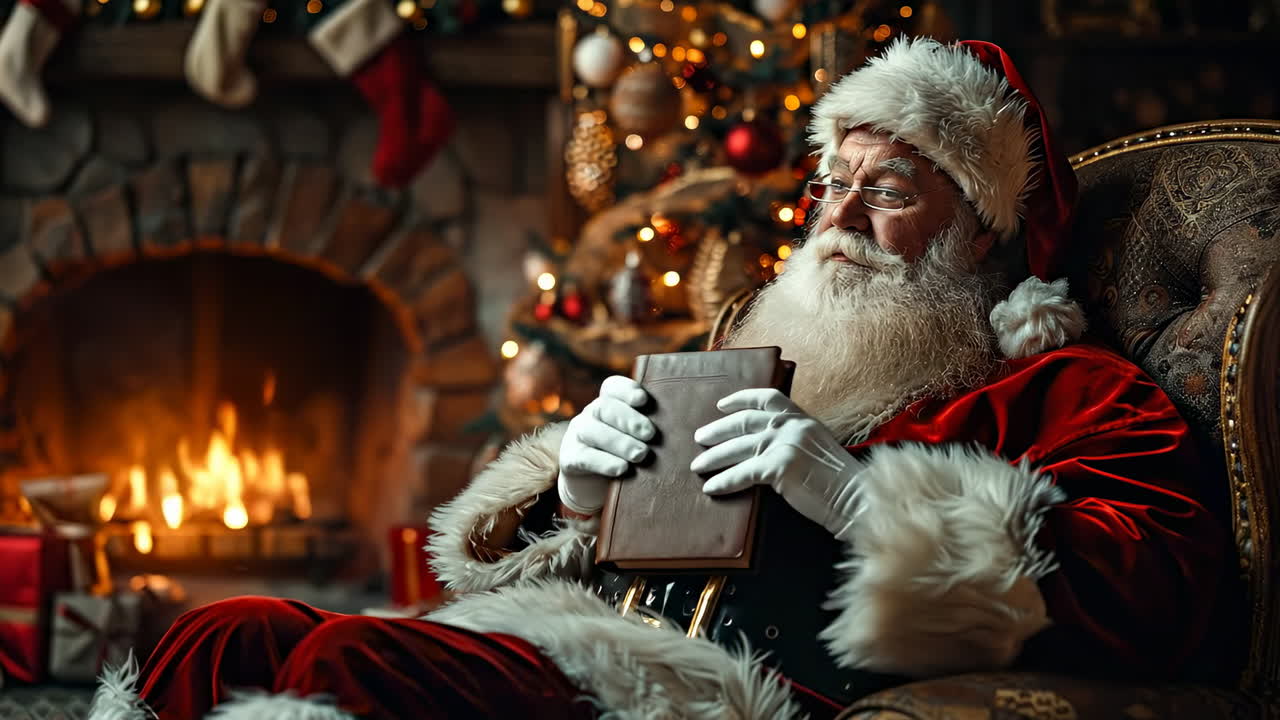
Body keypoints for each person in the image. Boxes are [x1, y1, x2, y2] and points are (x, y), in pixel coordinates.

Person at [87, 37, 1235, 720]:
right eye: (825, 185)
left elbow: (1160, 596)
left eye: (882, 190)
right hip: (578, 622)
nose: (831, 218)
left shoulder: (1065, 389)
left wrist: (856, 499)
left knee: (349, 660)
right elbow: (615, 537)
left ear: (978, 233)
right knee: (220, 631)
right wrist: (570, 497)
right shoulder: (775, 351)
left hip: (712, 690)